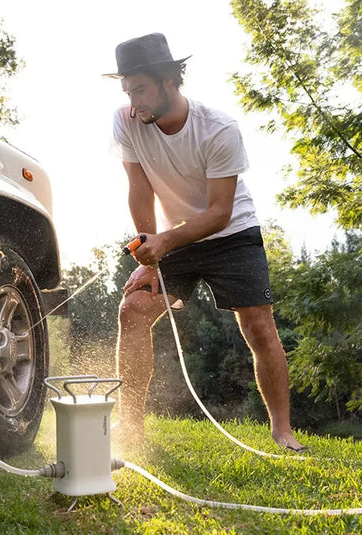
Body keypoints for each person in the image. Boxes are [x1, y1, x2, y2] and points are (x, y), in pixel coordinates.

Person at [104, 33, 303, 451]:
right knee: (134, 309)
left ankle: (283, 432)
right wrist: (149, 251)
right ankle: (131, 427)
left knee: (258, 326)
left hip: (232, 234)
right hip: (175, 238)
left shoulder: (218, 130)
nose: (133, 100)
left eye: (140, 89)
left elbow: (219, 213)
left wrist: (166, 240)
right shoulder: (126, 121)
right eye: (128, 90)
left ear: (169, 80)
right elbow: (139, 190)